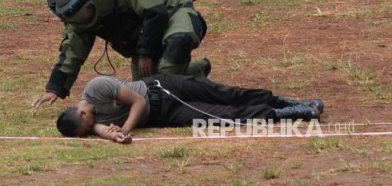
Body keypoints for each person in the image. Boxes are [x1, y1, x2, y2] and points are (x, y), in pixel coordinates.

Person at [33, 0, 210, 108]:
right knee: (147, 87)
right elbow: (72, 50)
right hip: (147, 36)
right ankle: (196, 72)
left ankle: (182, 94)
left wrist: (145, 54)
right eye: (76, 17)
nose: (81, 19)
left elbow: (156, 13)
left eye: (83, 12)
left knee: (174, 52)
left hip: (176, 13)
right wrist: (54, 88)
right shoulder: (81, 17)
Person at [54, 74, 324, 144]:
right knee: (219, 117)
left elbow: (139, 101)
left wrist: (125, 128)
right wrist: (115, 136)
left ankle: (284, 101)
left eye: (88, 126)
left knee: (228, 94)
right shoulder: (92, 121)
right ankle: (291, 114)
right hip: (167, 115)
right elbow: (102, 129)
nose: (92, 128)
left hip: (165, 89)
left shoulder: (97, 87)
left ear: (81, 113)